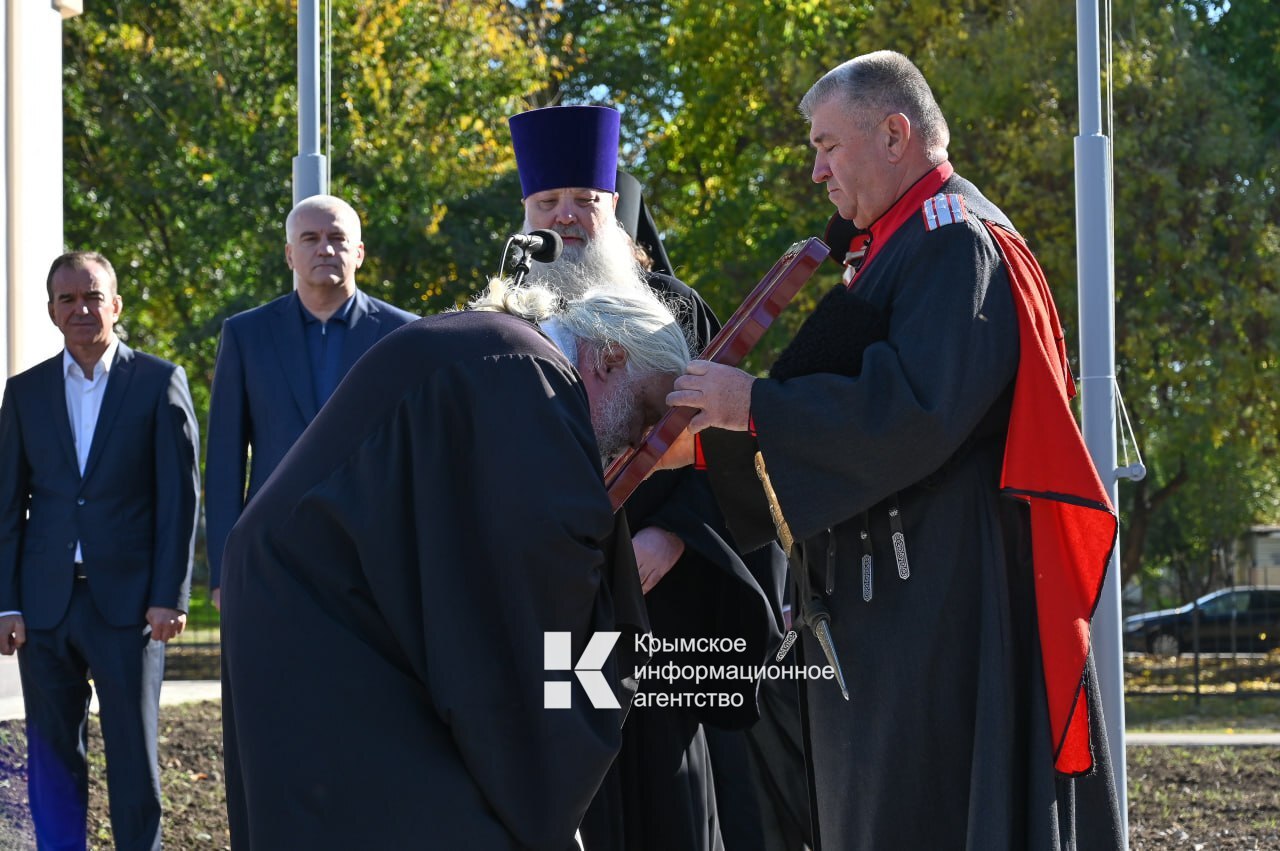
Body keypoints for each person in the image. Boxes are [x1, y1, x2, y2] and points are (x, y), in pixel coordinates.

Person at [663, 52, 1125, 848]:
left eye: (827, 146)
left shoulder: (955, 240)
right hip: (901, 609)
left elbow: (915, 411)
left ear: (893, 134)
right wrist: (710, 444)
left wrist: (754, 405)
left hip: (939, 607)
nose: (817, 171)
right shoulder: (898, 243)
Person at [220, 272, 689, 849]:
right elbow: (539, 588)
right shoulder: (532, 382)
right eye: (646, 415)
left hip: (313, 605)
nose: (638, 444)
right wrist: (561, 765)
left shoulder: (502, 351)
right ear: (610, 358)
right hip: (327, 620)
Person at [509, 104, 787, 851]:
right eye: (547, 202)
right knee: (572, 797)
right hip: (553, 606)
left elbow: (728, 448)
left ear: (613, 208)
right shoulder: (506, 322)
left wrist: (677, 535)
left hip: (661, 608)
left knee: (669, 801)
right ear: (526, 215)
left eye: (584, 200)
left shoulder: (675, 313)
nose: (566, 216)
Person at [0, 251, 200, 850]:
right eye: (68, 299)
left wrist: (170, 595)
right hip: (45, 607)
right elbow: (7, 505)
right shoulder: (25, 392)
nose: (81, 309)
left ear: (115, 305)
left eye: (92, 297)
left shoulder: (159, 381)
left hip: (131, 607)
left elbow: (179, 499)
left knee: (134, 762)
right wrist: (7, 602)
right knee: (52, 762)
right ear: (51, 311)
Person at [204, 194, 417, 607]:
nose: (325, 249)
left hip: (377, 553)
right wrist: (223, 571)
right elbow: (225, 463)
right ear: (289, 254)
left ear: (359, 253)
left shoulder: (404, 334)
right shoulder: (246, 335)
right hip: (275, 548)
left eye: (337, 238)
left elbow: (417, 450)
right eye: (310, 238)